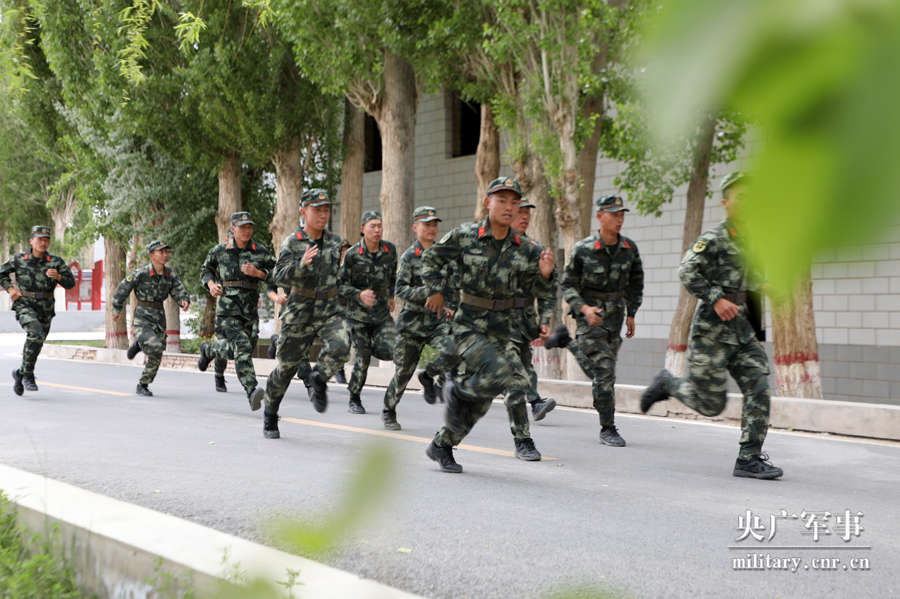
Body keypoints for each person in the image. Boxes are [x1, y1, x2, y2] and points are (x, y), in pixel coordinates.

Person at [640, 172, 782, 479]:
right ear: (726, 203)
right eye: (741, 197)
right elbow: (687, 271)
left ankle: (749, 458)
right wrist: (716, 298)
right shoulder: (713, 239)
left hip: (743, 331)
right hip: (711, 334)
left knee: (759, 387)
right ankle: (667, 384)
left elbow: (750, 279)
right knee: (710, 405)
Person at [421, 177, 555, 473]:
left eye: (514, 202)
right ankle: (456, 392)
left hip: (503, 329)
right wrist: (435, 289)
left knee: (497, 393)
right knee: (497, 374)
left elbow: (540, 289)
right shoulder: (466, 235)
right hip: (469, 325)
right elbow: (431, 259)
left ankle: (442, 445)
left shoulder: (526, 247)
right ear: (488, 203)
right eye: (502, 201)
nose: (509, 207)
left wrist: (545, 276)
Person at [545, 194, 644, 447]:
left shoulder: (629, 249)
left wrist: (632, 311)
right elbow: (567, 284)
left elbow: (636, 282)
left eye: (622, 215)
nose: (619, 219)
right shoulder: (584, 249)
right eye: (614, 215)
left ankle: (567, 342)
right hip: (589, 319)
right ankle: (608, 428)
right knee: (605, 372)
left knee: (601, 372)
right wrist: (584, 308)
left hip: (616, 317)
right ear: (600, 217)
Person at [262, 189, 351, 439]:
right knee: (286, 369)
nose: (323, 215)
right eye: (317, 209)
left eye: (326, 210)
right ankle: (270, 412)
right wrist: (301, 265)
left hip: (329, 309)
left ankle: (319, 379)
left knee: (342, 345)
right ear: (303, 212)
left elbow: (340, 276)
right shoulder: (293, 242)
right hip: (300, 310)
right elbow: (277, 276)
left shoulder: (335, 242)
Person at [381, 207, 461, 430]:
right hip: (412, 323)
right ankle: (388, 410)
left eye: (434, 224)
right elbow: (401, 290)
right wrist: (428, 295)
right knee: (403, 372)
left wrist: (450, 307)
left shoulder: (445, 257)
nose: (432, 228)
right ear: (415, 227)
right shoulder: (408, 257)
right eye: (427, 224)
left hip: (438, 321)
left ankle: (428, 376)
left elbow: (454, 289)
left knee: (455, 350)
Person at [198, 212, 280, 410]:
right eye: (242, 227)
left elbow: (278, 274)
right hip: (228, 310)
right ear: (233, 229)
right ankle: (252, 391)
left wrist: (258, 273)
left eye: (249, 226)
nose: (247, 230)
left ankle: (209, 350)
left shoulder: (260, 252)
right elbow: (205, 270)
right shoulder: (220, 251)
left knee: (244, 350)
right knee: (241, 345)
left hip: (250, 311)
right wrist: (211, 285)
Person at [1, 226, 75, 395]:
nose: (43, 242)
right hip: (24, 303)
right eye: (40, 239)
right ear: (31, 240)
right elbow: (1, 273)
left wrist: (58, 277)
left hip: (46, 306)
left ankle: (19, 373)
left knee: (37, 342)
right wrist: (10, 289)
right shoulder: (19, 259)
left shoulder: (55, 261)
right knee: (36, 334)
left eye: (46, 239)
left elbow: (71, 283)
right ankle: (28, 375)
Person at [269, 238, 351, 391]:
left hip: (330, 313)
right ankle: (309, 384)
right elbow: (274, 281)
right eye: (342, 251)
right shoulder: (301, 262)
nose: (343, 254)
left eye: (346, 251)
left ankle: (335, 373)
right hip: (298, 312)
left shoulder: (343, 269)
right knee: (301, 352)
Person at [112, 240, 191, 396]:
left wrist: (184, 300)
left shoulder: (170, 274)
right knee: (154, 345)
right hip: (143, 316)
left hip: (159, 317)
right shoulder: (141, 273)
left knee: (157, 352)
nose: (165, 255)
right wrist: (117, 308)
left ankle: (143, 384)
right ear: (152, 256)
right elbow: (122, 289)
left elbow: (178, 289)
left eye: (166, 252)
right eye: (161, 252)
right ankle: (140, 344)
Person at [339, 211, 398, 414]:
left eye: (380, 226)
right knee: (362, 360)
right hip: (358, 315)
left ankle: (369, 347)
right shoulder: (352, 254)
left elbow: (393, 275)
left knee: (393, 349)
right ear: (363, 229)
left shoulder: (390, 250)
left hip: (381, 313)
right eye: (373, 226)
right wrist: (358, 294)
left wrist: (390, 295)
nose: (377, 230)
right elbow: (340, 285)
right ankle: (354, 397)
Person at [506, 196, 558, 422]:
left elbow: (548, 290)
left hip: (524, 319)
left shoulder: (536, 250)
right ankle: (533, 403)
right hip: (496, 318)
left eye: (528, 212)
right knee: (514, 365)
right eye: (520, 210)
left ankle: (534, 403)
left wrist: (545, 319)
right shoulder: (495, 246)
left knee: (525, 362)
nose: (525, 216)